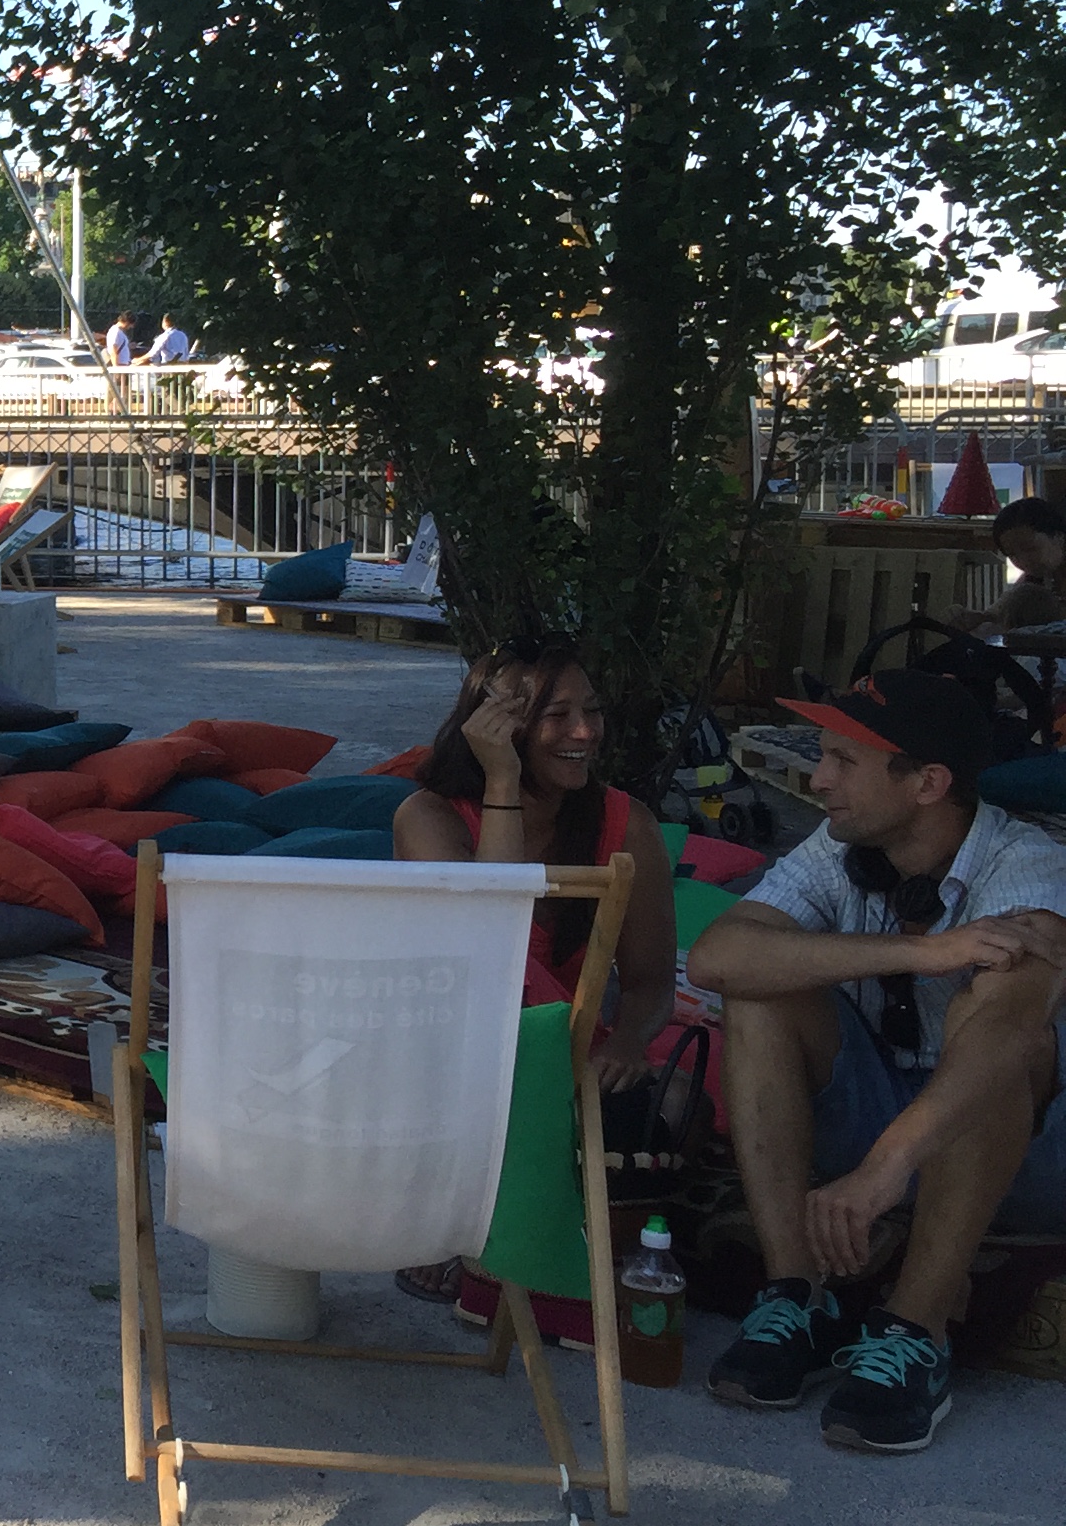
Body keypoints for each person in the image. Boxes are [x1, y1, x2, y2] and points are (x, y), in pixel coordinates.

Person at [685, 671, 1066, 1453]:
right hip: (875, 1112)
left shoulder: (1027, 863)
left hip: (1016, 1154)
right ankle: (797, 1298)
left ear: (928, 783)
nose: (818, 780)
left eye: (844, 761)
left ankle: (915, 1333)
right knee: (760, 990)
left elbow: (1009, 1030)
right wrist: (922, 952)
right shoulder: (842, 846)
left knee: (994, 1033)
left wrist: (886, 1167)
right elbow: (717, 958)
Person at [390, 643, 683, 1306]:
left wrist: (627, 1042)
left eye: (592, 711)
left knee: (667, 1104)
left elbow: (651, 983)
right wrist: (502, 782)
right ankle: (471, 1224)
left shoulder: (626, 822)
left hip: (567, 1053)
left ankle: (520, 1230)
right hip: (456, 1050)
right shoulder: (428, 816)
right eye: (557, 715)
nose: (584, 731)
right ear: (496, 728)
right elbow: (488, 946)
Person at [982, 496, 1066, 636]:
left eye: (1030, 549)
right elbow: (999, 610)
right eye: (1012, 555)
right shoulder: (1033, 580)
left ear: (1059, 537)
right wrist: (978, 618)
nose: (1024, 561)